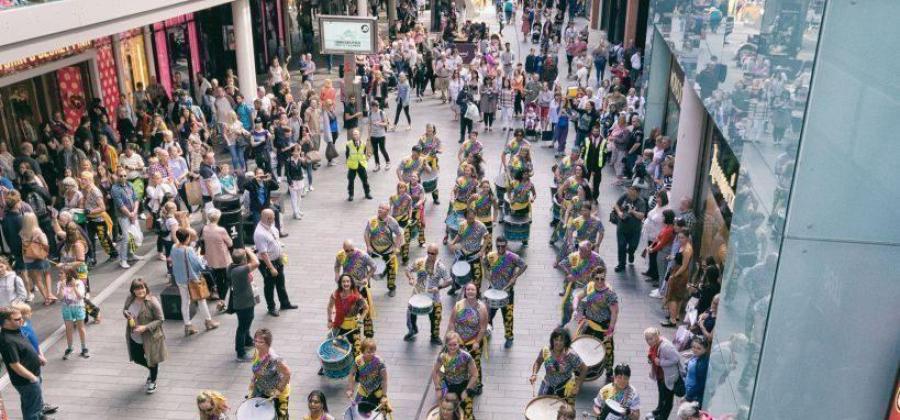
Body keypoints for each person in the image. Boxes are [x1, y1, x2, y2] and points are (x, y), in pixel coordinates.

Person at [0, 306, 45, 419]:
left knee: (33, 407)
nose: (22, 320)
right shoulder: (7, 341)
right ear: (6, 322)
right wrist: (32, 378)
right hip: (26, 381)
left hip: (32, 376)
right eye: (17, 319)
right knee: (32, 411)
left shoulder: (16, 330)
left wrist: (38, 357)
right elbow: (15, 365)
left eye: (21, 317)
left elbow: (25, 347)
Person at [170, 228, 218, 336]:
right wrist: (200, 257)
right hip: (191, 280)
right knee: (201, 300)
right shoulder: (188, 250)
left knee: (185, 302)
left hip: (179, 279)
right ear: (187, 238)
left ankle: (188, 325)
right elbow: (198, 265)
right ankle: (208, 321)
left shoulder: (174, 247)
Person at [482, 236, 527, 348]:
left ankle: (509, 337)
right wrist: (487, 273)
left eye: (503, 246)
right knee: (487, 315)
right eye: (498, 246)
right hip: (493, 290)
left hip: (507, 291)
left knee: (508, 316)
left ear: (506, 245)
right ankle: (488, 330)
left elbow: (524, 265)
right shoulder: (491, 256)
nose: (500, 248)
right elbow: (484, 263)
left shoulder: (512, 257)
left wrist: (515, 277)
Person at [124, 278, 167, 394]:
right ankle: (153, 369)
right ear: (133, 291)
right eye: (136, 289)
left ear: (146, 288)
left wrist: (145, 327)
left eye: (142, 288)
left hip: (151, 336)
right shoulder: (130, 299)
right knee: (137, 357)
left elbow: (160, 319)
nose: (140, 291)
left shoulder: (152, 301)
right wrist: (126, 314)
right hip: (134, 335)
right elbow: (125, 310)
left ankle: (153, 380)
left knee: (152, 359)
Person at [575, 269, 618, 382]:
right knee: (582, 346)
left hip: (603, 326)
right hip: (589, 323)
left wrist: (611, 329)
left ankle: (609, 372)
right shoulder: (589, 286)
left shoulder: (610, 293)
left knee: (608, 351)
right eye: (597, 278)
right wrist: (576, 310)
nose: (599, 281)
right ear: (593, 279)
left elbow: (615, 312)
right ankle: (581, 370)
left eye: (602, 278)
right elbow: (577, 297)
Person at [404, 243, 451, 344]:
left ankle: (434, 336)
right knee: (410, 312)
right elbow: (408, 270)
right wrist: (411, 278)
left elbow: (449, 280)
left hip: (433, 295)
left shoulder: (440, 267)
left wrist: (438, 287)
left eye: (433, 253)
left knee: (436, 316)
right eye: (428, 252)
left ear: (437, 254)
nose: (430, 255)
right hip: (418, 292)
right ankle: (412, 330)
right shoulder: (420, 262)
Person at [254, 209, 297, 317]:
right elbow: (263, 253)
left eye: (273, 217)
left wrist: (281, 253)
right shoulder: (260, 233)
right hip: (267, 263)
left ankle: (284, 303)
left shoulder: (271, 226)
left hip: (277, 259)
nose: (273, 219)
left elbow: (275, 240)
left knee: (280, 282)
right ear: (265, 218)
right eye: (271, 218)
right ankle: (271, 307)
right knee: (269, 285)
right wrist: (271, 268)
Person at [447, 282, 488, 395]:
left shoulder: (482, 308)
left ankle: (477, 384)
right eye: (468, 289)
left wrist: (477, 342)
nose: (470, 291)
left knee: (475, 363)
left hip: (473, 341)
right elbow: (451, 322)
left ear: (476, 292)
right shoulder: (458, 305)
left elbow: (483, 327)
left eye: (472, 290)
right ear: (465, 291)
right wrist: (453, 337)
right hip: (458, 341)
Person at [529, 327, 587, 406]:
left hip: (565, 387)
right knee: (541, 408)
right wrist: (534, 374)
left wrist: (577, 386)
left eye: (561, 340)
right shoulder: (546, 351)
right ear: (552, 340)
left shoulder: (571, 355)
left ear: (565, 341)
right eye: (556, 339)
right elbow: (538, 362)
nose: (558, 343)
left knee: (566, 413)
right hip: (548, 384)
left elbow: (584, 368)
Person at [334, 240, 377, 338]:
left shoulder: (363, 256)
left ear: (355, 248)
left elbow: (374, 266)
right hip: (347, 288)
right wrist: (336, 274)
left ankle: (369, 334)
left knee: (365, 309)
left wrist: (367, 277)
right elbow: (336, 266)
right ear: (343, 249)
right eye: (347, 251)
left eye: (351, 250)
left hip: (361, 287)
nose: (349, 253)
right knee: (348, 310)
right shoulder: (340, 256)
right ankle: (348, 331)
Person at [431, 331, 479, 419]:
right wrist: (438, 388)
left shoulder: (466, 356)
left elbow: (475, 375)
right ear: (446, 345)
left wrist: (467, 390)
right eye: (450, 345)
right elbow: (435, 372)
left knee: (468, 414)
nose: (452, 347)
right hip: (448, 385)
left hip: (463, 386)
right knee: (445, 412)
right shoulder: (442, 356)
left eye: (455, 344)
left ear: (458, 344)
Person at [248, 328, 292, 420]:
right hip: (262, 388)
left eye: (261, 342)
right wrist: (252, 381)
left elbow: (287, 373)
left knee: (281, 416)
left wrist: (279, 390)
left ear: (268, 344)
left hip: (278, 391)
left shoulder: (274, 359)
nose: (257, 344)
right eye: (255, 341)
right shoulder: (257, 352)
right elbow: (257, 369)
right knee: (258, 413)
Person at [559, 240, 606, 325]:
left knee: (588, 310)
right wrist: (569, 273)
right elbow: (562, 264)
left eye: (583, 251)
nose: (580, 252)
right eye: (580, 250)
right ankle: (564, 326)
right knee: (567, 307)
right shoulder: (574, 256)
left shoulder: (598, 260)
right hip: (575, 286)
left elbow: (603, 275)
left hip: (590, 288)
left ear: (589, 251)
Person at [364, 203, 404, 297]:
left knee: (391, 270)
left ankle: (391, 288)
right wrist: (368, 246)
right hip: (373, 250)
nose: (380, 210)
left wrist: (397, 247)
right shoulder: (372, 221)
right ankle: (366, 288)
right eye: (379, 208)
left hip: (388, 251)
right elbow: (366, 234)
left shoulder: (392, 222)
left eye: (383, 208)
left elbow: (399, 234)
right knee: (365, 268)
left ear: (388, 211)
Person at [326, 274, 368, 362]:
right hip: (338, 324)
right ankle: (328, 364)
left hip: (353, 326)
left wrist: (361, 320)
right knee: (330, 343)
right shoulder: (335, 294)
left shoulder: (357, 296)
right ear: (340, 283)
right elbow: (329, 307)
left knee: (357, 348)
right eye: (343, 281)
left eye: (348, 281)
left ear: (351, 283)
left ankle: (359, 366)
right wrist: (329, 320)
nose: (346, 283)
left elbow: (366, 308)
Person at [228, 248, 260, 362]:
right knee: (242, 327)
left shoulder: (231, 267)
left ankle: (247, 341)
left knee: (245, 323)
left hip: (240, 302)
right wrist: (248, 250)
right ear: (243, 260)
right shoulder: (240, 270)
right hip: (244, 303)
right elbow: (256, 262)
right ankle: (240, 353)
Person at [644, 327, 681, 420]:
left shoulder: (665, 347)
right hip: (661, 375)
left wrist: (660, 362)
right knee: (662, 395)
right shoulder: (655, 345)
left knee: (667, 399)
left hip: (668, 377)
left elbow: (676, 358)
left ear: (657, 336)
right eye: (647, 339)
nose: (649, 341)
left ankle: (662, 417)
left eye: (651, 338)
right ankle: (658, 411)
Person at [449, 209, 489, 292]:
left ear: (475, 215)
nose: (471, 219)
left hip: (475, 254)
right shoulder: (462, 225)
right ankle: (455, 285)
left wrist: (482, 251)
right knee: (453, 270)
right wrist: (453, 242)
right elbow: (459, 235)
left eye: (472, 217)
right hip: (463, 253)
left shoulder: (481, 226)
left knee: (477, 275)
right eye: (469, 218)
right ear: (466, 217)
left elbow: (487, 238)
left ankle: (477, 291)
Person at [20, 212, 55, 306]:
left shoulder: (22, 232)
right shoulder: (37, 231)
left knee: (37, 280)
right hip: (40, 256)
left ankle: (46, 298)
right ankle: (50, 294)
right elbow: (45, 243)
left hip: (28, 258)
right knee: (47, 274)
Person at [346, 338, 390, 413]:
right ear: (362, 351)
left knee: (380, 415)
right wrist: (350, 389)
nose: (372, 354)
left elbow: (384, 380)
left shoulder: (380, 362)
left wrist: (384, 396)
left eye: (373, 351)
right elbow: (351, 374)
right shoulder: (358, 360)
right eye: (368, 352)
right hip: (363, 390)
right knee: (358, 413)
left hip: (377, 392)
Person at [110, 168, 142, 269]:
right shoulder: (115, 189)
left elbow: (136, 199)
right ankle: (123, 259)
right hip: (123, 216)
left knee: (134, 235)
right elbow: (120, 205)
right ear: (117, 176)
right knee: (126, 237)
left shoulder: (130, 185)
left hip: (133, 213)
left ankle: (130, 254)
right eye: (120, 176)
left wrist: (135, 212)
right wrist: (130, 215)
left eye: (124, 175)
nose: (123, 178)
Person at [201, 209, 232, 308]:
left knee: (218, 278)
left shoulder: (205, 228)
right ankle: (222, 300)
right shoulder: (221, 230)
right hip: (222, 257)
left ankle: (220, 296)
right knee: (227, 278)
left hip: (211, 258)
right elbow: (230, 243)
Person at [56, 268, 90, 360]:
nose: (59, 275)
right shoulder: (60, 283)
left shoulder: (79, 282)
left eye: (61, 273)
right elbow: (60, 298)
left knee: (81, 328)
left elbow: (81, 296)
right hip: (66, 308)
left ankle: (84, 348)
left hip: (78, 307)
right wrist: (62, 287)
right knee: (68, 328)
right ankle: (70, 348)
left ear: (68, 275)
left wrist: (74, 287)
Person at [613, 185, 647, 272]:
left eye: (633, 194)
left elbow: (642, 216)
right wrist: (619, 212)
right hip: (622, 227)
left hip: (634, 230)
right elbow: (616, 205)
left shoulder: (641, 202)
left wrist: (632, 211)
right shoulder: (625, 196)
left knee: (633, 246)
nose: (630, 196)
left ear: (637, 193)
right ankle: (621, 264)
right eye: (629, 193)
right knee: (621, 246)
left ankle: (631, 253)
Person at [662, 231, 693, 327]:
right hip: (677, 271)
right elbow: (679, 257)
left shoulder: (687, 249)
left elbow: (684, 266)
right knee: (676, 296)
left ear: (687, 238)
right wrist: (672, 257)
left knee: (673, 297)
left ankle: (672, 319)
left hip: (680, 274)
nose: (680, 240)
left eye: (682, 238)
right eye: (679, 237)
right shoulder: (683, 246)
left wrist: (674, 275)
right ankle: (675, 316)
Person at [346, 128, 373, 201]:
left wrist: (365, 160)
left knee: (365, 180)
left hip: (361, 164)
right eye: (354, 134)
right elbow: (347, 154)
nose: (355, 135)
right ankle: (351, 195)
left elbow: (365, 153)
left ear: (359, 135)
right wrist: (348, 162)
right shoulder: (349, 144)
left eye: (356, 134)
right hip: (352, 165)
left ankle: (367, 193)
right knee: (351, 181)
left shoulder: (363, 144)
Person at [684, 336, 710, 407]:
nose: (695, 350)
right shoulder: (698, 356)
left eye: (698, 348)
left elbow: (701, 384)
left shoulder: (703, 364)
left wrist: (688, 396)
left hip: (695, 394)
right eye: (693, 347)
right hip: (690, 389)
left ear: (705, 349)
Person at [369, 101, 391, 172]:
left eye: (377, 107)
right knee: (375, 151)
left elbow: (386, 123)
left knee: (382, 149)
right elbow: (369, 124)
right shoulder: (370, 113)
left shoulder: (382, 113)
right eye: (374, 107)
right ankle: (377, 164)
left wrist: (379, 123)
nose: (375, 108)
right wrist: (369, 135)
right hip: (373, 135)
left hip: (381, 135)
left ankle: (388, 162)